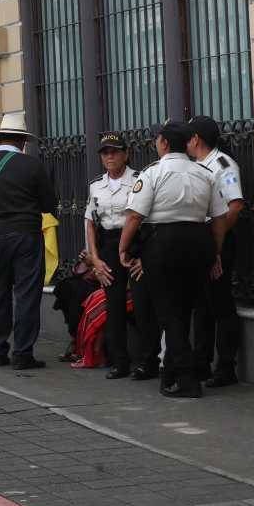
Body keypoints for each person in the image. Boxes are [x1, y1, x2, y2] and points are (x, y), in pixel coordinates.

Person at [120, 120, 229, 398]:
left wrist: (123, 247)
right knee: (182, 310)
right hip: (199, 242)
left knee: (169, 313)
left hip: (164, 243)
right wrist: (215, 252)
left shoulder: (153, 172)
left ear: (164, 143)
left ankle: (186, 378)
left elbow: (134, 216)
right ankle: (170, 374)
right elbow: (218, 219)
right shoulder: (205, 173)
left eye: (157, 139)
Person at [0, 114, 57, 369]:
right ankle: (23, 354)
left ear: (0, 139)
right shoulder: (32, 166)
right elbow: (49, 204)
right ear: (23, 141)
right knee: (26, 295)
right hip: (26, 236)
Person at [84, 133, 158, 380]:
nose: (110, 156)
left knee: (142, 303)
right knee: (113, 304)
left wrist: (143, 255)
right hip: (109, 246)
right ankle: (120, 362)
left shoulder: (140, 180)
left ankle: (149, 361)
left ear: (126, 154)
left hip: (136, 245)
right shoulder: (96, 185)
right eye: (105, 152)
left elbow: (147, 219)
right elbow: (91, 223)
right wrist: (95, 259)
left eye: (115, 151)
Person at [186, 116, 246, 388]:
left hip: (219, 241)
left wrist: (217, 244)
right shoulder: (197, 165)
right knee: (202, 304)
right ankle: (201, 364)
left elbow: (235, 206)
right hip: (202, 241)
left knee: (220, 304)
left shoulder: (223, 164)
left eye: (188, 136)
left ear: (196, 138)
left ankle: (225, 367)